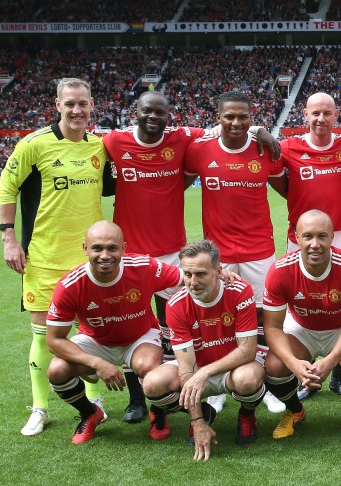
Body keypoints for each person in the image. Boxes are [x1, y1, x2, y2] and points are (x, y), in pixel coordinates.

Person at [103, 91, 281, 421]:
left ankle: (259, 386)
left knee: (253, 319)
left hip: (187, 248)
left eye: (160, 111)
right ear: (135, 112)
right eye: (147, 111)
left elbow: (235, 125)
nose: (154, 116)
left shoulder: (189, 138)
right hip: (138, 250)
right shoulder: (114, 140)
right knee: (141, 323)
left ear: (170, 115)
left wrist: (259, 130)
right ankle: (144, 400)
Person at [0, 77, 117, 436]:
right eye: (70, 104)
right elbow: (6, 187)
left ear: (92, 105)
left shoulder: (98, 148)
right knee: (43, 335)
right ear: (57, 105)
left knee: (90, 332)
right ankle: (40, 408)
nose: (77, 110)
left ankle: (95, 403)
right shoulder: (34, 144)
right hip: (45, 257)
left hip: (91, 260)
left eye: (83, 103)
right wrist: (9, 239)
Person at [184, 90, 287, 398]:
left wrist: (262, 133)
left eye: (243, 116)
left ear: (251, 118)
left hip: (259, 249)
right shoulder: (199, 149)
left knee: (260, 315)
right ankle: (217, 384)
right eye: (229, 116)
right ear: (218, 118)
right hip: (218, 254)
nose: (236, 122)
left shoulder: (263, 149)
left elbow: (288, 190)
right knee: (217, 317)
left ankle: (261, 379)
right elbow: (173, 186)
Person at [45, 221, 182, 444]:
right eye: (97, 248)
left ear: (124, 248)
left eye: (112, 248)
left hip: (140, 336)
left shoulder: (143, 266)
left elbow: (188, 277)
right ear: (85, 248)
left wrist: (220, 274)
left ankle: (159, 412)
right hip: (95, 340)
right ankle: (90, 413)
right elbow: (54, 340)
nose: (105, 255)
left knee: (148, 367)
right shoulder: (70, 285)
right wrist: (96, 363)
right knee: (57, 370)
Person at [141, 240, 267, 461]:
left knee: (248, 379)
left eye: (200, 274)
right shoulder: (176, 304)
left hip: (233, 368)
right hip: (196, 369)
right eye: (187, 274)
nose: (193, 282)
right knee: (152, 385)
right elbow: (186, 367)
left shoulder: (240, 291)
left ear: (218, 271)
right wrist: (197, 421)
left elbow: (247, 351)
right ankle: (205, 415)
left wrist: (205, 372)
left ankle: (247, 414)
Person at [261, 210, 341, 440]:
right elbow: (272, 327)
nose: (315, 244)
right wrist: (293, 363)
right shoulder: (280, 271)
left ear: (332, 237)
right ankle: (295, 411)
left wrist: (330, 362)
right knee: (274, 365)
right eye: (308, 236)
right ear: (296, 237)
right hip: (302, 328)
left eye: (322, 236)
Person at [279, 92, 341, 399]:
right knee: (300, 305)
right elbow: (276, 178)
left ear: (336, 115)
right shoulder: (288, 147)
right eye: (315, 113)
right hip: (298, 238)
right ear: (305, 115)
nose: (321, 119)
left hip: (339, 235)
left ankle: (338, 373)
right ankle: (306, 374)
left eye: (327, 113)